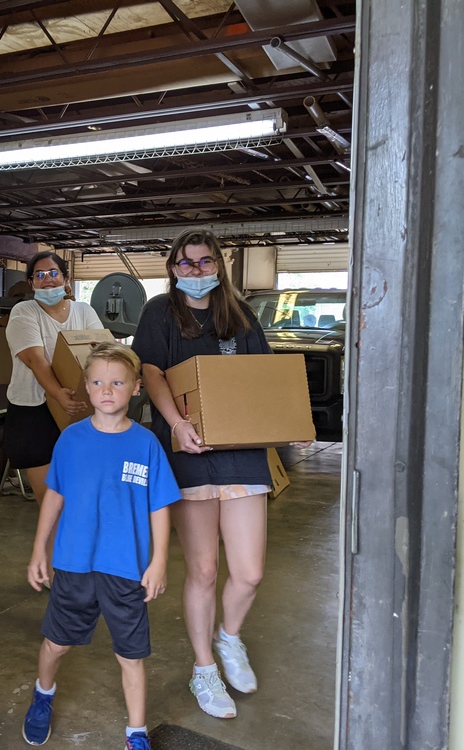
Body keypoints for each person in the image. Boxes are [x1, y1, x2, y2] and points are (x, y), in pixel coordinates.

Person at [131, 228, 308, 720]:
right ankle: (204, 668)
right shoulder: (159, 313)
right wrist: (177, 425)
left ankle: (229, 638)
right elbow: (151, 372)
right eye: (185, 264)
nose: (195, 272)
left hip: (242, 454)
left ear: (219, 267)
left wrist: (286, 422)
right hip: (188, 452)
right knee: (204, 569)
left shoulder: (240, 314)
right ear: (172, 267)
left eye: (205, 263)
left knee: (249, 572)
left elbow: (263, 378)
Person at [22, 343, 180, 750]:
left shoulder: (146, 445)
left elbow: (159, 505)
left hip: (125, 567)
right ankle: (43, 694)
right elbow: (54, 497)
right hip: (74, 563)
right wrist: (40, 550)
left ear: (135, 387)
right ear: (87, 388)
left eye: (116, 382)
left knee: (131, 655)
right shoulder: (71, 440)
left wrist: (159, 560)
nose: (106, 390)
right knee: (57, 642)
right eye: (97, 382)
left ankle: (136, 734)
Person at [4, 251, 102, 507]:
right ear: (31, 283)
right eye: (39, 275)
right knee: (52, 500)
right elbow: (35, 360)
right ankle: (56, 544)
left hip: (79, 409)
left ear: (66, 279)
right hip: (34, 412)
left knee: (81, 495)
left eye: (53, 273)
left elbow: (102, 352)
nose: (47, 280)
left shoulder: (84, 311)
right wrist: (58, 394)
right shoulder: (24, 312)